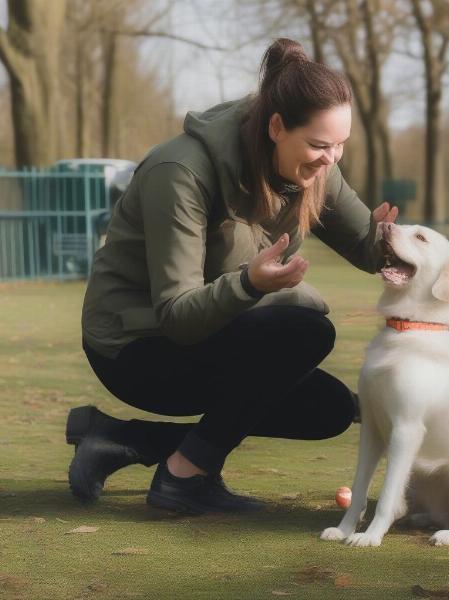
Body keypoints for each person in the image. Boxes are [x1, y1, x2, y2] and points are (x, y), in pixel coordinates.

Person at [67, 38, 398, 514]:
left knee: (331, 409)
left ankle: (123, 438)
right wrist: (249, 285)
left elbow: (368, 248)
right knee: (305, 330)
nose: (331, 160)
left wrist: (391, 242)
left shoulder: (314, 164)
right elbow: (178, 316)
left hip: (210, 331)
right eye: (321, 145)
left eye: (341, 145)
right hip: (133, 346)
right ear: (277, 127)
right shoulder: (180, 171)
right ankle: (184, 478)